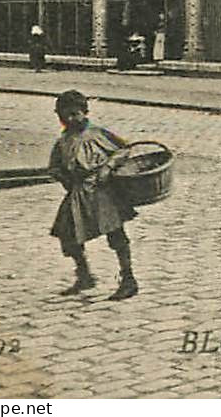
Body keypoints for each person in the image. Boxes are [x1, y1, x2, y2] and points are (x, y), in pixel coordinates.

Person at [48, 90, 140, 301]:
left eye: (74, 114)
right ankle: (84, 274)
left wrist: (108, 166)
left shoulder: (98, 134)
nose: (70, 119)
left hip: (102, 191)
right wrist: (64, 178)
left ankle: (128, 279)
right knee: (67, 234)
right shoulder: (64, 141)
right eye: (64, 116)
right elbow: (54, 166)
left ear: (84, 112)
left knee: (115, 234)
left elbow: (124, 149)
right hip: (78, 192)